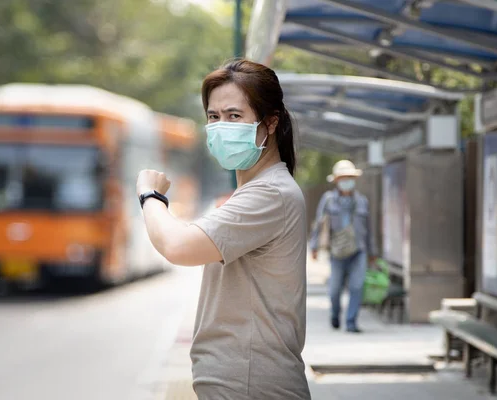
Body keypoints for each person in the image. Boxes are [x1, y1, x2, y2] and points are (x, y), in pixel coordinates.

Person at [136, 60, 310, 400]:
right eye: (213, 117)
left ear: (270, 122)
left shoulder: (270, 193)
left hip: (250, 383)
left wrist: (150, 196)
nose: (221, 127)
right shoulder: (258, 191)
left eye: (234, 116)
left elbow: (178, 246)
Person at [309, 160, 377, 333]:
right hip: (337, 251)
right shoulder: (328, 200)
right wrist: (314, 247)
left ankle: (351, 321)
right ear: (337, 180)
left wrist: (372, 251)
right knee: (334, 289)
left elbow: (369, 228)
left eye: (350, 177)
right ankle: (335, 314)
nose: (347, 181)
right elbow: (319, 223)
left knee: (357, 286)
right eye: (343, 177)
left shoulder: (362, 201)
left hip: (358, 250)